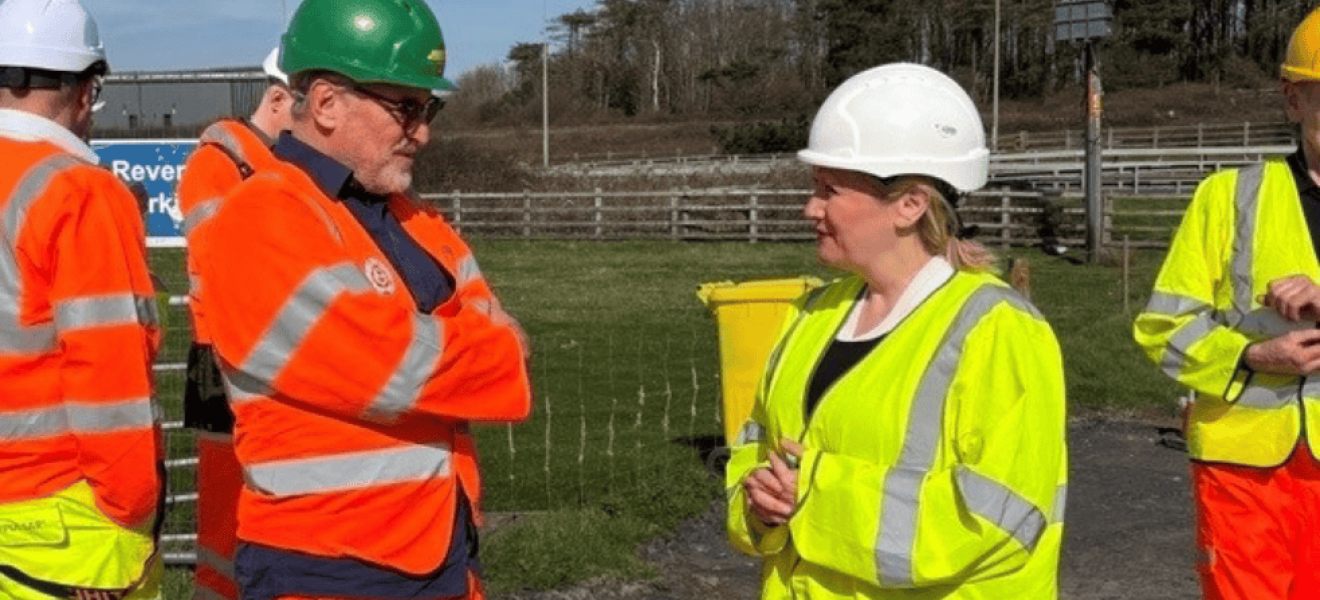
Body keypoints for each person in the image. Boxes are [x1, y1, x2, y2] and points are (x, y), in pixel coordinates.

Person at [195, 0, 533, 597]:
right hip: (326, 564)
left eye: (428, 109)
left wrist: (462, 347)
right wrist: (489, 353)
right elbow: (389, 366)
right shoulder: (260, 218)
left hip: (444, 547)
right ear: (325, 102)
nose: (423, 132)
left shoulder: (413, 216)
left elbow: (471, 331)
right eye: (406, 108)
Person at [725, 63, 1068, 600]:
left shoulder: (999, 331)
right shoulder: (811, 314)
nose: (809, 208)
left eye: (830, 190)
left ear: (910, 204)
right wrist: (757, 510)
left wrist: (814, 499)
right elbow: (753, 449)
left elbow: (997, 518)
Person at [1133, 7, 1320, 599]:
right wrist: (1254, 356)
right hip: (1244, 469)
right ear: (1293, 100)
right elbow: (1165, 328)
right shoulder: (1228, 198)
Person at [0, 0, 164, 598]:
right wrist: (131, 508)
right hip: (68, 528)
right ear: (87, 91)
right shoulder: (78, 191)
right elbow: (109, 373)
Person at [176, 47, 294, 600]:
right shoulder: (219, 163)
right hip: (224, 359)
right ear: (278, 98)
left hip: (272, 356)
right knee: (227, 514)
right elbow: (229, 269)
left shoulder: (279, 166)